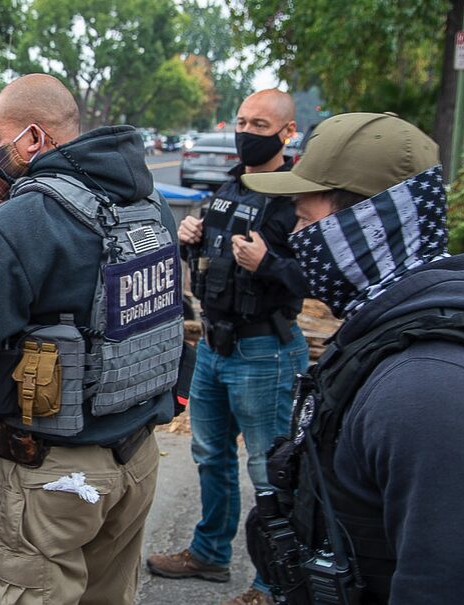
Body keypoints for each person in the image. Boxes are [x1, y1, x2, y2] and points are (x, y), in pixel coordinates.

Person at [0, 73, 182, 604]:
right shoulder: (150, 205)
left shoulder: (20, 222)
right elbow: (168, 312)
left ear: (35, 139)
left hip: (52, 479)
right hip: (136, 464)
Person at [240, 112, 464, 603]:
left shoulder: (430, 389)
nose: (295, 238)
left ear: (370, 225)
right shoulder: (386, 332)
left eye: (305, 220)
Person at [146, 89, 310, 605]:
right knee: (211, 456)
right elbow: (210, 265)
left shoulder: (298, 198)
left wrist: (269, 264)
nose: (246, 133)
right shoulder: (229, 186)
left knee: (270, 469)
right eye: (241, 122)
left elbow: (320, 276)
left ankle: (273, 583)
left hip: (265, 352)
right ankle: (210, 553)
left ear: (287, 132)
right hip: (215, 349)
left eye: (260, 125)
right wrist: (189, 238)